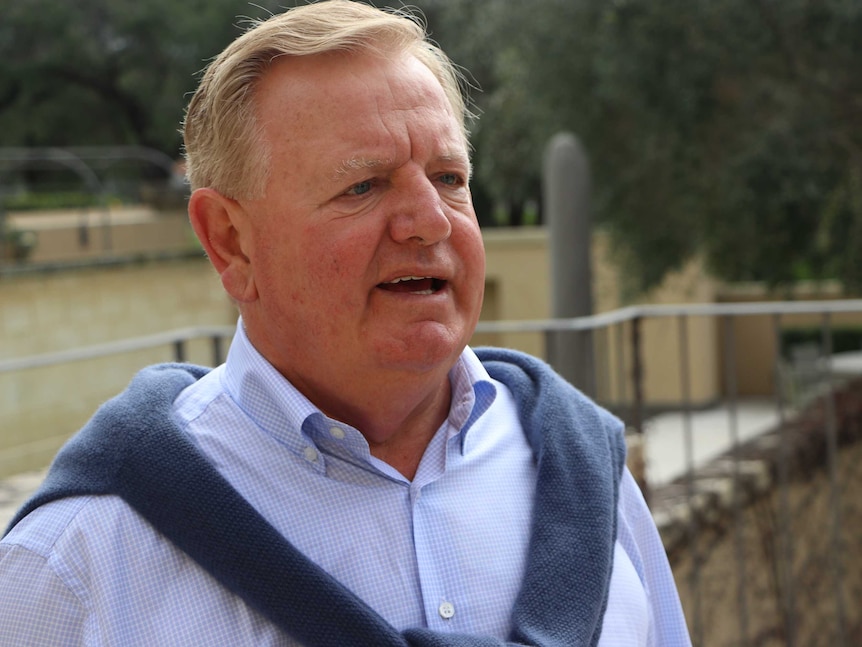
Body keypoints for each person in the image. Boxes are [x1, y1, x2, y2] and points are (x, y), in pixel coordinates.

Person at [0, 1, 691, 645]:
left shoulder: (588, 477)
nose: (430, 220)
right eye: (362, 185)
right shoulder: (77, 565)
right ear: (230, 243)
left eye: (450, 177)